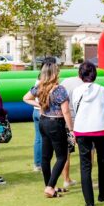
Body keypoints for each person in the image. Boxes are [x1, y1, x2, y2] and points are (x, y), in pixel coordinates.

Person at [23, 61, 74, 198]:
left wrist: (39, 105)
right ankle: (50, 187)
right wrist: (71, 129)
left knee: (46, 157)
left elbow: (26, 98)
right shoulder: (59, 89)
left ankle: (49, 185)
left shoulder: (39, 87)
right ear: (55, 73)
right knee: (62, 157)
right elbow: (66, 111)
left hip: (43, 121)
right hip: (55, 124)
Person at [71, 61, 104, 206]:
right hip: (100, 128)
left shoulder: (76, 91)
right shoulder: (102, 90)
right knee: (102, 162)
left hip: (82, 129)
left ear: (80, 75)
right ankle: (103, 193)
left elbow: (75, 110)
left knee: (85, 165)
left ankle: (89, 201)